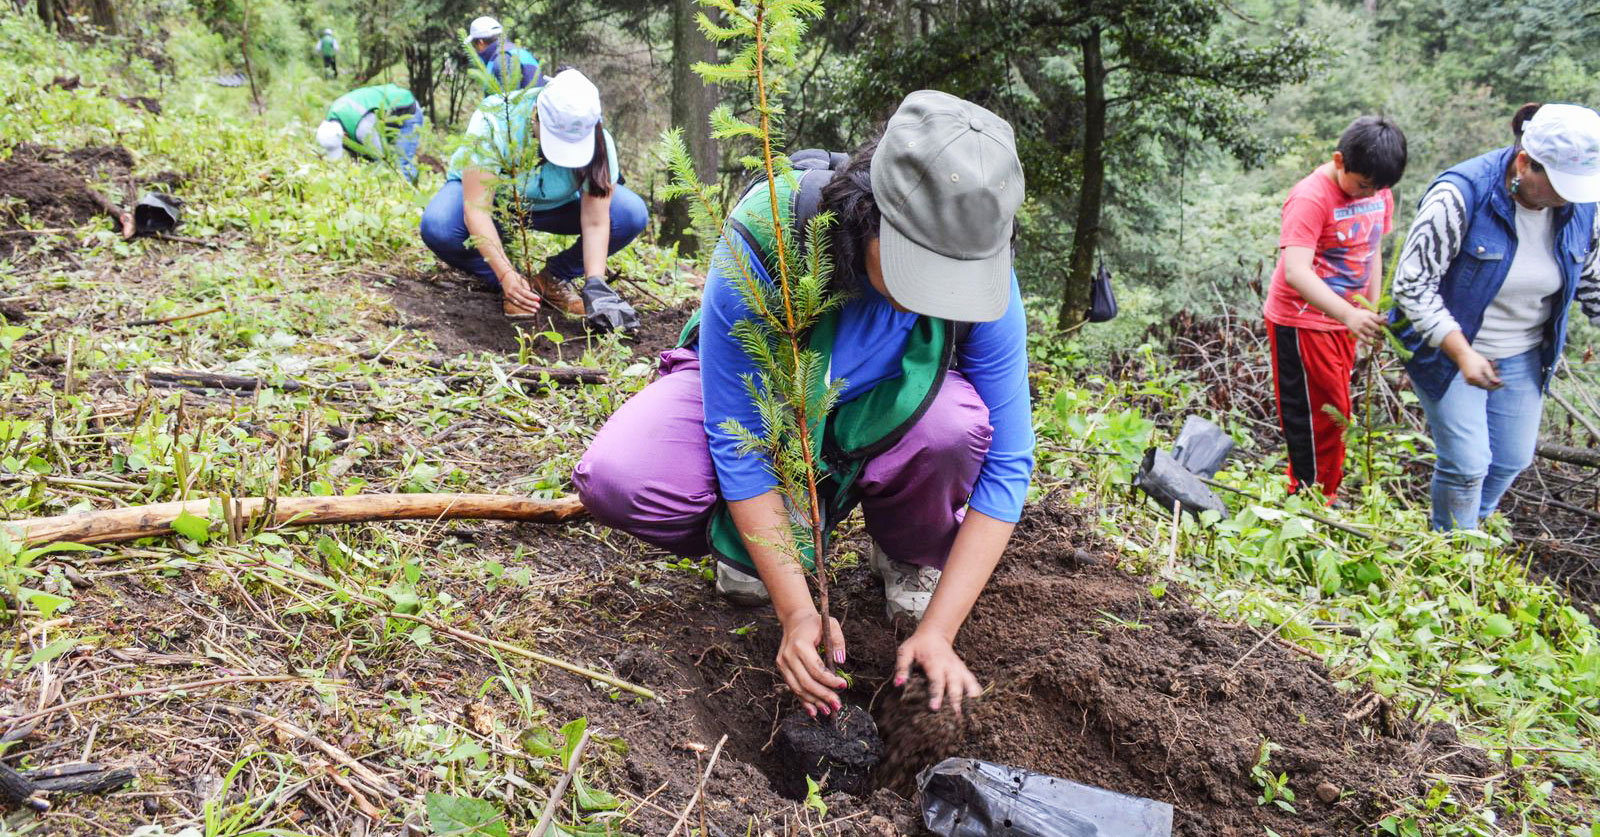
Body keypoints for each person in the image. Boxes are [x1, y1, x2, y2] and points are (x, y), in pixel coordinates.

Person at [574, 91, 1035, 718]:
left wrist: (938, 631)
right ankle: (771, 529)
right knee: (622, 478)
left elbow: (1009, 462)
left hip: (882, 414)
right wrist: (796, 610)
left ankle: (906, 547)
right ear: (870, 214)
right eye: (914, 268)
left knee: (955, 427)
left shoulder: (984, 272)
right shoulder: (770, 234)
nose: (931, 297)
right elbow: (736, 436)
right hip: (761, 403)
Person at [1393, 103, 1600, 531]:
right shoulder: (1460, 195)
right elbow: (1412, 286)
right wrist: (1462, 352)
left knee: (1510, 458)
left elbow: (1593, 280)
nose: (1566, 199)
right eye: (1559, 186)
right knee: (1468, 463)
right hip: (1449, 347)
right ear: (1525, 162)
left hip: (1523, 350)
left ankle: (1468, 529)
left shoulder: (1582, 206)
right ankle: (1451, 548)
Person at [418, 68, 646, 328]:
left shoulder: (599, 140)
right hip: (495, 204)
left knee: (630, 212)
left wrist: (596, 284)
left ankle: (553, 278)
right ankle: (514, 284)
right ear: (536, 116)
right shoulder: (496, 120)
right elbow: (477, 210)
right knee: (439, 226)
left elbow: (596, 222)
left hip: (559, 209)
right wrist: (505, 273)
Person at [1263, 116, 1407, 502]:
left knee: (1338, 413)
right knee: (1320, 416)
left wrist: (1369, 310)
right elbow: (1295, 271)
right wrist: (1349, 315)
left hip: (1347, 320)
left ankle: (1322, 493)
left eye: (1378, 188)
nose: (1369, 194)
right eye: (1362, 185)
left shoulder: (1377, 191)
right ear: (1339, 160)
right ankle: (1308, 498)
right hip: (1303, 320)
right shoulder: (1311, 197)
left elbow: (1372, 249)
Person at [315, 84, 423, 184]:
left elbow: (381, 159)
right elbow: (357, 153)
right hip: (379, 115)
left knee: (401, 165)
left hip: (407, 109)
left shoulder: (363, 128)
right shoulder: (331, 122)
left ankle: (412, 195)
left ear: (344, 135)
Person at [468, 16, 543, 94]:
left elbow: (507, 101)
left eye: (474, 45)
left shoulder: (501, 60)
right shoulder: (518, 51)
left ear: (480, 43)